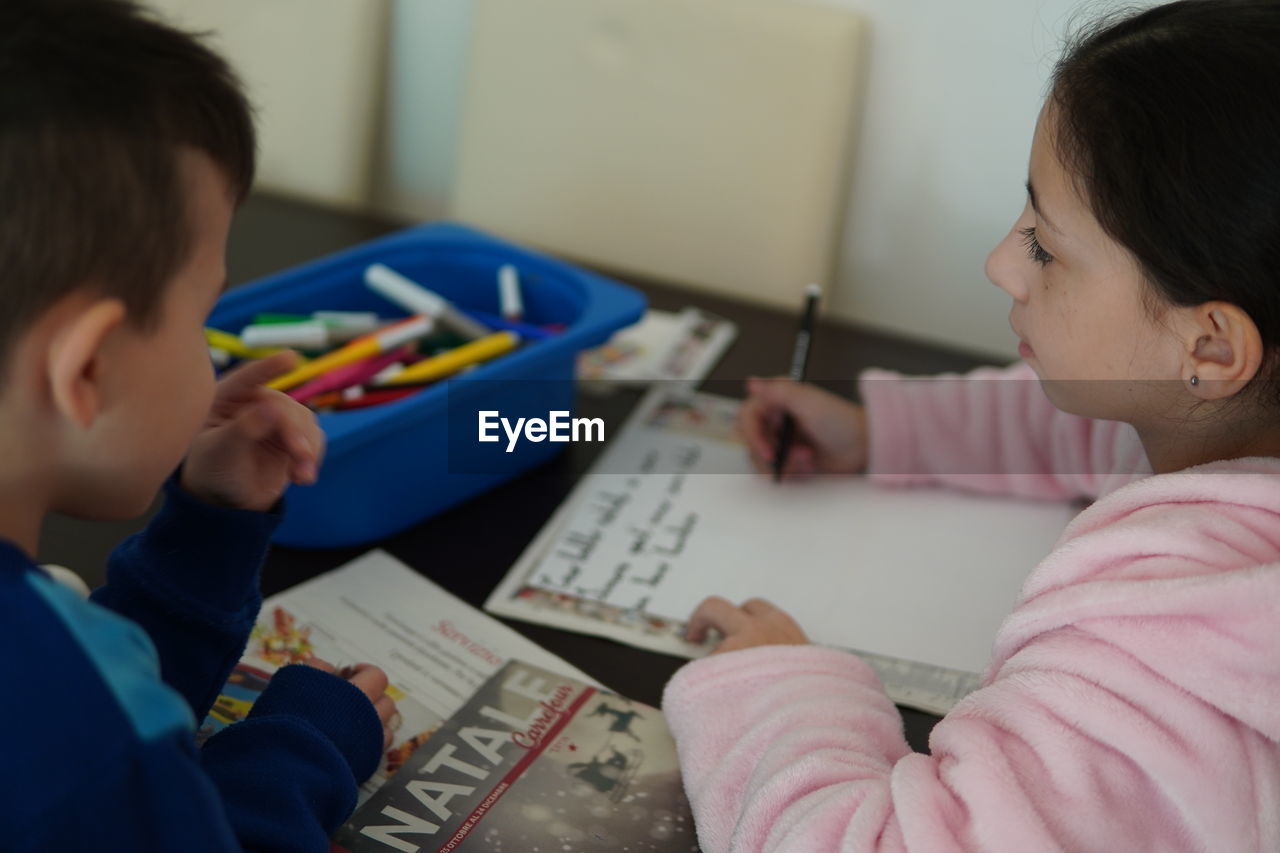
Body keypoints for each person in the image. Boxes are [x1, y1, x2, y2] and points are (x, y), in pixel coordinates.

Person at [662, 1, 1280, 850]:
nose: (1000, 262)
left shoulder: (1175, 644)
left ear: (1210, 344)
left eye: (1046, 246)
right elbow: (1091, 425)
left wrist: (774, 688)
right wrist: (881, 431)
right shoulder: (1220, 421)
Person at [0, 1, 397, 850]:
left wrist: (207, 536)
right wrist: (306, 746)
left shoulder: (61, 694)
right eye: (199, 321)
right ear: (88, 369)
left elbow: (89, 686)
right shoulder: (72, 729)